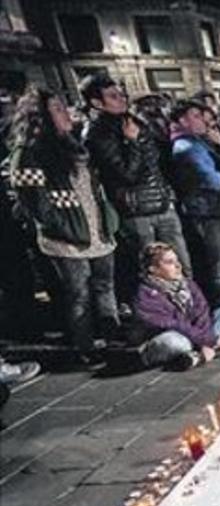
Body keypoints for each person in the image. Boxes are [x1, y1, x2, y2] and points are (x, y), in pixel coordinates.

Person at [10, 87, 121, 367]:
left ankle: (113, 340)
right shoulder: (29, 153)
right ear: (41, 117)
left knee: (105, 287)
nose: (66, 112)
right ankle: (85, 346)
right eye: (57, 109)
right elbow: (34, 203)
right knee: (78, 294)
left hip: (96, 230)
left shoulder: (74, 144)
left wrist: (107, 219)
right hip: (67, 238)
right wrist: (62, 227)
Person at [80, 74, 190, 289]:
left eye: (121, 93)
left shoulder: (135, 122)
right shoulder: (96, 133)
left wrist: (168, 193)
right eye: (113, 96)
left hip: (162, 203)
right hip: (136, 212)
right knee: (154, 274)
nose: (122, 99)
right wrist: (131, 141)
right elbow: (127, 174)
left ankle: (192, 315)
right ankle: (165, 319)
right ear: (96, 103)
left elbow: (156, 164)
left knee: (182, 267)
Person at [171, 99, 220, 309]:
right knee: (217, 263)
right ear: (182, 120)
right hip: (205, 210)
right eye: (196, 116)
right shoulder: (187, 146)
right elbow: (213, 180)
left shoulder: (200, 142)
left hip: (215, 208)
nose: (203, 122)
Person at [133, 242, 220, 369]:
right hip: (166, 338)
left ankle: (197, 354)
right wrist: (212, 339)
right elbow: (174, 325)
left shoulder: (186, 283)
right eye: (169, 262)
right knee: (176, 343)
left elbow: (202, 312)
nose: (177, 266)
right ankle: (209, 348)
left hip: (192, 334)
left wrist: (206, 341)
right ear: (153, 269)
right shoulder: (146, 294)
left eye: (177, 260)